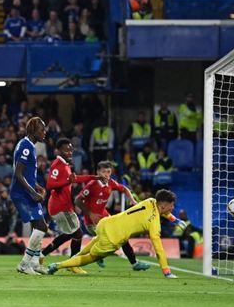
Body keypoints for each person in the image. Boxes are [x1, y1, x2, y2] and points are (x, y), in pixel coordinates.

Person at [47, 189, 180, 279]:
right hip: (113, 238)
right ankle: (58, 266)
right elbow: (159, 249)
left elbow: (163, 211)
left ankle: (70, 261)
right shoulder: (154, 223)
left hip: (106, 223)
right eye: (172, 206)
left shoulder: (150, 201)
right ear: (163, 205)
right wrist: (166, 270)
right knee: (91, 257)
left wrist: (174, 219)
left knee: (95, 241)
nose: (172, 208)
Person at [75, 161, 150, 271]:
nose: (106, 174)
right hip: (92, 221)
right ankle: (83, 259)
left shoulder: (111, 182)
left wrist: (132, 200)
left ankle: (134, 263)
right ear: (98, 172)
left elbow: (124, 189)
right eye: (103, 172)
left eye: (108, 172)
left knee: (122, 236)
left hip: (105, 217)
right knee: (110, 240)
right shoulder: (92, 185)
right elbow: (77, 200)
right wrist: (90, 214)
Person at [38, 138, 97, 274]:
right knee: (78, 234)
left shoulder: (65, 165)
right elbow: (50, 185)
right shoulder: (57, 164)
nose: (70, 152)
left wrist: (94, 177)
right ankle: (72, 264)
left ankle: (42, 255)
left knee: (69, 234)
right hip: (60, 206)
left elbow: (74, 179)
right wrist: (66, 181)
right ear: (59, 151)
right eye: (66, 149)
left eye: (71, 149)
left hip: (63, 205)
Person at [9, 117, 49, 275]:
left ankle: (35, 263)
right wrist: (32, 192)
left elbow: (25, 173)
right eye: (42, 129)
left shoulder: (28, 145)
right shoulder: (26, 146)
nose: (44, 133)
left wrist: (37, 187)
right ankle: (25, 264)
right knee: (42, 226)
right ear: (33, 130)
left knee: (37, 227)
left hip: (27, 191)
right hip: (22, 193)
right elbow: (18, 174)